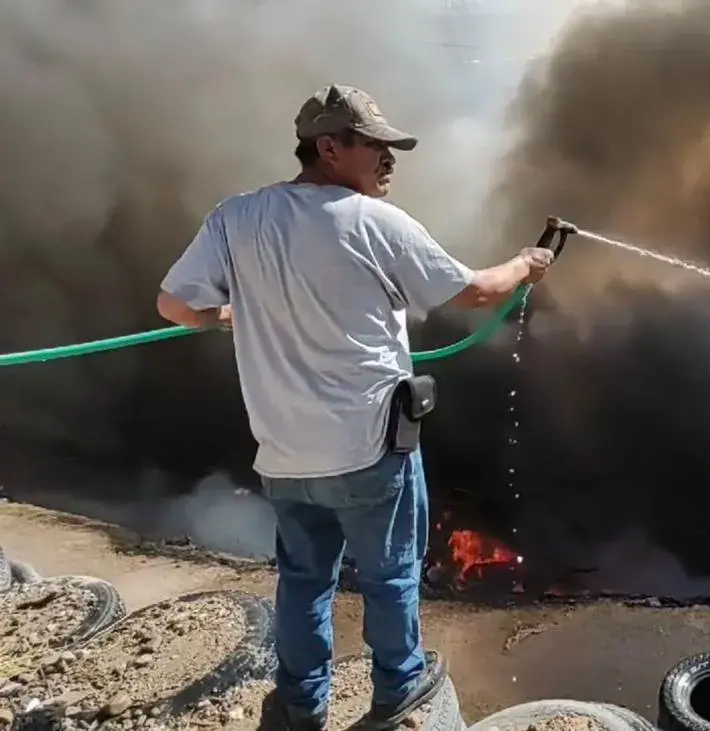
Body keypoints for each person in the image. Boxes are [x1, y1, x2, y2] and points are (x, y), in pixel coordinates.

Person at [156, 84, 555, 730]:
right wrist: (525, 263)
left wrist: (230, 313)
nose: (388, 158)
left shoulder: (237, 218)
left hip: (285, 457)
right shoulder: (375, 223)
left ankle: (299, 708)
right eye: (374, 145)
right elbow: (477, 292)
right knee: (390, 576)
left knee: (303, 582)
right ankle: (399, 696)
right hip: (369, 451)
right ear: (330, 147)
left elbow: (174, 304)